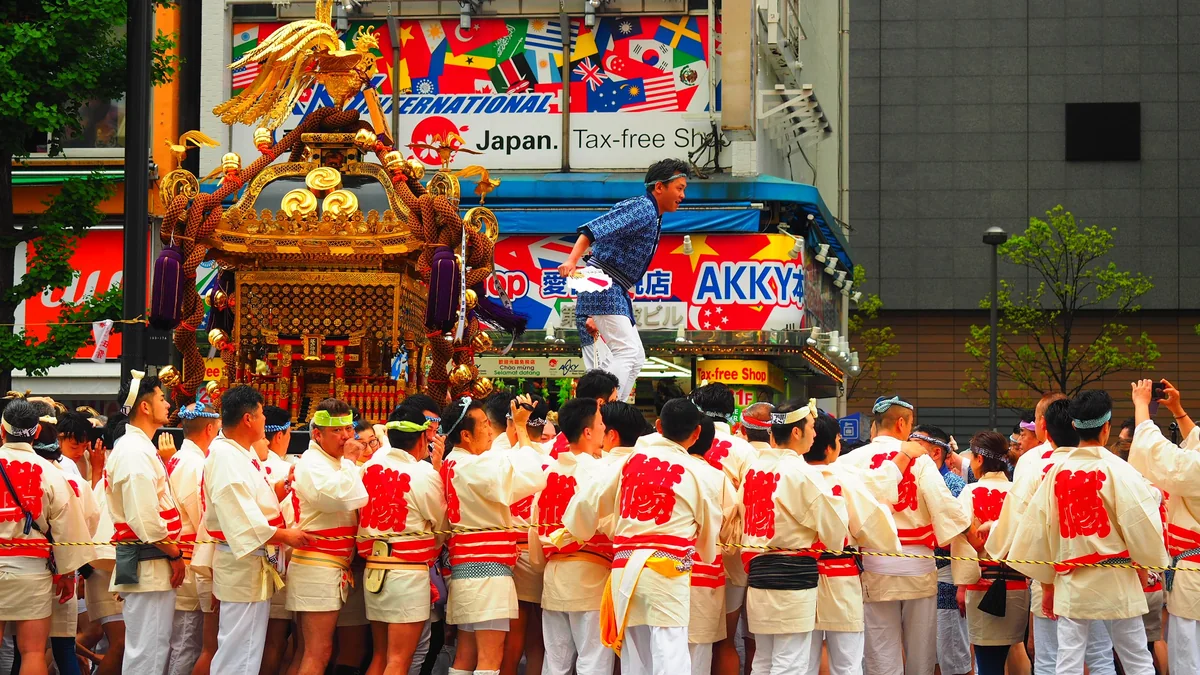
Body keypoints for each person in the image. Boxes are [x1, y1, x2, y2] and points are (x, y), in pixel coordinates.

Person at [1009, 390, 1167, 675]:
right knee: (1135, 658)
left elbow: (1037, 530)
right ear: (1106, 428)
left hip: (1071, 579)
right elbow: (1141, 522)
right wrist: (1146, 565)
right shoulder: (1120, 469)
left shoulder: (1054, 472)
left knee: (1067, 661)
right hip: (1118, 578)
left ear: (1074, 426)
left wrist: (1046, 585)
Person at [563, 397, 723, 675]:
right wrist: (704, 549)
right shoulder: (700, 473)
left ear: (658, 426)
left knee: (635, 654)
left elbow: (588, 500)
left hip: (625, 570)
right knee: (670, 652)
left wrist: (578, 529)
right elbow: (709, 536)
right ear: (697, 433)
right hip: (667, 571)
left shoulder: (630, 461)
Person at [837, 395, 970, 675]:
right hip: (919, 565)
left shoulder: (851, 460)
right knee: (920, 649)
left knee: (880, 648)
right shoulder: (920, 459)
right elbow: (944, 506)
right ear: (901, 423)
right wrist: (967, 530)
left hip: (875, 563)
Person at [986, 397, 1117, 675]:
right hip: (1097, 568)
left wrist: (996, 544)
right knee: (1100, 655)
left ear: (1043, 425)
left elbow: (1019, 514)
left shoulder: (1033, 462)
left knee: (1050, 657)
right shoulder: (1103, 460)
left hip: (1049, 569)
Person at [558, 159, 689, 401]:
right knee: (627, 351)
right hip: (603, 282)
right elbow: (592, 230)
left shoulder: (651, 212)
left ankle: (615, 407)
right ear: (659, 187)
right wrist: (571, 261)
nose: (682, 195)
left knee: (636, 356)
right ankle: (607, 409)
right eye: (679, 188)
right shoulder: (642, 208)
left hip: (613, 285)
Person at [203, 385, 311, 675]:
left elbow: (249, 504)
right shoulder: (225, 456)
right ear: (248, 419)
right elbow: (240, 518)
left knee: (247, 646)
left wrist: (278, 489)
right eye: (262, 414)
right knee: (238, 647)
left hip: (250, 561)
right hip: (242, 562)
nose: (265, 420)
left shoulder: (240, 453)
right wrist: (286, 536)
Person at [737, 399, 848, 675]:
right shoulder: (801, 472)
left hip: (759, 575)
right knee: (790, 662)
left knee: (763, 659)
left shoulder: (753, 470)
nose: (814, 432)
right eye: (811, 426)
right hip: (792, 577)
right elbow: (833, 526)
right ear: (796, 432)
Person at [441, 395, 547, 675]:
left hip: (465, 565)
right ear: (465, 434)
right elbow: (534, 475)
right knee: (490, 659)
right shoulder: (475, 466)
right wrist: (522, 429)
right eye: (485, 425)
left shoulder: (452, 462)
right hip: (487, 569)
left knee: (465, 653)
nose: (490, 431)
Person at [801, 412, 903, 675]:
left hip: (798, 575)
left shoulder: (791, 476)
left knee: (801, 661)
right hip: (840, 575)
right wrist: (885, 511)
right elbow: (872, 526)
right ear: (829, 446)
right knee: (846, 661)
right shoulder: (843, 478)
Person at [0, 400, 94, 675]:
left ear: (2, 431)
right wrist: (67, 574)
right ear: (37, 433)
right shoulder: (52, 473)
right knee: (32, 652)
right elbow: (69, 529)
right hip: (31, 568)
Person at [106, 371, 187, 675]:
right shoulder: (134, 452)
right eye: (162, 398)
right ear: (144, 406)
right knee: (148, 652)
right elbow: (146, 521)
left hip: (151, 561)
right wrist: (175, 554)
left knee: (151, 648)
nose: (167, 404)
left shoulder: (139, 449)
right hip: (149, 561)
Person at [358, 405, 448, 675]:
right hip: (407, 574)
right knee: (398, 660)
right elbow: (441, 526)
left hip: (374, 570)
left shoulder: (368, 468)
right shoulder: (424, 474)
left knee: (380, 656)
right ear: (422, 438)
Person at [529, 398, 615, 675]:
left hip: (554, 574)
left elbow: (534, 526)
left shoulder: (549, 471)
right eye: (601, 424)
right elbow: (612, 525)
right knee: (593, 661)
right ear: (588, 431)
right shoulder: (600, 471)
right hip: (590, 573)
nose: (604, 429)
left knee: (555, 663)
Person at [286, 398, 370, 675]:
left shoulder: (332, 461)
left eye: (348, 428)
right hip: (317, 565)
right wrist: (350, 462)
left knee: (308, 649)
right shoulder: (312, 463)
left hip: (329, 565)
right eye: (337, 431)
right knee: (318, 650)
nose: (346, 436)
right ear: (317, 434)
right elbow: (339, 498)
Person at [1128, 379, 1200, 674]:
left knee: (1187, 651)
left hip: (1194, 571)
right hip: (1190, 567)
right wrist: (1178, 410)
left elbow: (1158, 453)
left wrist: (1142, 406)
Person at [688, 383, 757, 675]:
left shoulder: (686, 441)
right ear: (732, 413)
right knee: (726, 641)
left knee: (691, 638)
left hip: (692, 551)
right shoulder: (746, 450)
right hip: (734, 553)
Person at [949, 431, 1029, 675]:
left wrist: (962, 585)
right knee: (1015, 648)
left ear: (979, 459)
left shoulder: (969, 493)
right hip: (1017, 583)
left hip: (982, 584)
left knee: (987, 663)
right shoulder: (1019, 492)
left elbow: (964, 542)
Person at [483, 392, 549, 675]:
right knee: (537, 631)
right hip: (544, 552)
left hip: (513, 552)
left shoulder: (496, 455)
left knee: (516, 629)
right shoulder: (550, 456)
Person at [907, 425, 969, 675]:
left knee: (952, 656)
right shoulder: (911, 479)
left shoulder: (954, 485)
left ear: (935, 453)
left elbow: (962, 539)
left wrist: (963, 584)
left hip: (946, 577)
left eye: (915, 445)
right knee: (925, 655)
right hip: (918, 578)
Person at [165, 402, 221, 675]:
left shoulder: (179, 458)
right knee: (187, 641)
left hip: (180, 556)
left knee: (180, 641)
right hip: (187, 558)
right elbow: (203, 518)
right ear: (210, 428)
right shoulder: (195, 463)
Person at [679, 415, 737, 675]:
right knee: (698, 656)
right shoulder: (717, 478)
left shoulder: (661, 469)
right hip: (703, 575)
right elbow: (731, 534)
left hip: (659, 572)